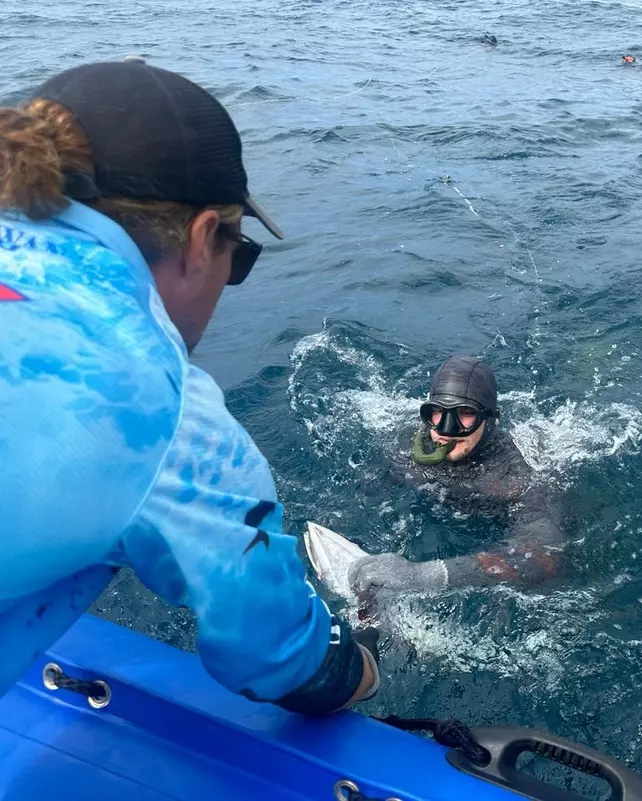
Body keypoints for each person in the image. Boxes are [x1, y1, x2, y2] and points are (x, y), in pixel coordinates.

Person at [0, 59, 380, 715]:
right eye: (240, 257)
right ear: (204, 237)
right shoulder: (161, 413)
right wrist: (366, 660)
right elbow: (283, 661)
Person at [305, 356, 566, 599]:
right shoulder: (404, 447)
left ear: (489, 420)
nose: (446, 430)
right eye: (438, 412)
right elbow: (364, 498)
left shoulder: (519, 474)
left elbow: (541, 558)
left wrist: (422, 577)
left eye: (465, 414)